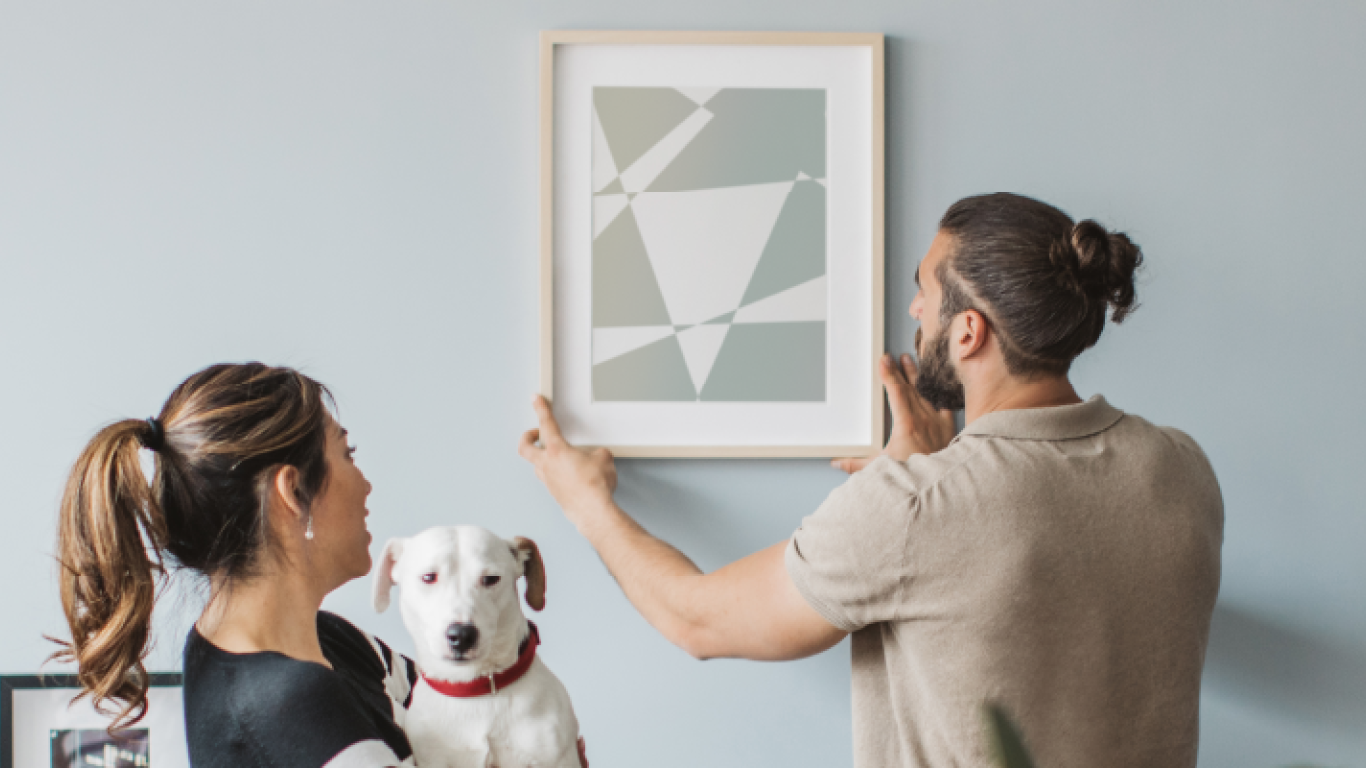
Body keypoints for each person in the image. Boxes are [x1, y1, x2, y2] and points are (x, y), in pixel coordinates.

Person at [518, 192, 1224, 768]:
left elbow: (696, 619)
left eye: (923, 290)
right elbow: (1053, 575)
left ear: (968, 332)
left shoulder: (919, 508)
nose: (915, 310)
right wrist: (940, 468)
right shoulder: (1181, 468)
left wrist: (585, 501)